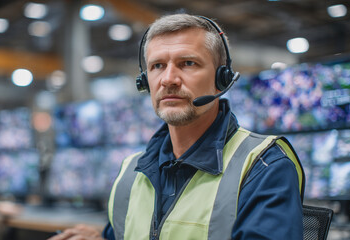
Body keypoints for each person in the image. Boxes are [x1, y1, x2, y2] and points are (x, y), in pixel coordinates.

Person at [49, 13, 305, 240]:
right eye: (157, 66)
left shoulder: (264, 166)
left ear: (222, 78)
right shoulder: (131, 171)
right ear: (145, 81)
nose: (168, 79)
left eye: (188, 63)